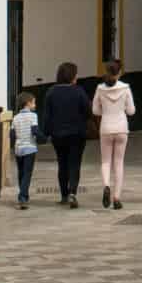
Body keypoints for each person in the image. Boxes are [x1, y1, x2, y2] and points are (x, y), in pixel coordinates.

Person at [40, 62, 90, 208]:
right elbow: (88, 111)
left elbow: (47, 115)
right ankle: (73, 192)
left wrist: (46, 133)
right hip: (77, 134)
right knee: (75, 163)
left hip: (58, 135)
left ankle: (64, 195)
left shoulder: (51, 92)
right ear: (72, 76)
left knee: (62, 164)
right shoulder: (79, 91)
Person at [91, 59, 136, 210]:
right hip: (121, 127)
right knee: (119, 162)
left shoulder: (100, 89)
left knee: (105, 161)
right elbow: (131, 111)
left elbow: (95, 111)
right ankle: (117, 198)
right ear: (119, 72)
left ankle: (106, 186)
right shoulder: (126, 88)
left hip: (106, 127)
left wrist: (105, 110)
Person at [11, 90, 42, 209]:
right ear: (28, 103)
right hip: (30, 149)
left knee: (21, 173)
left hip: (18, 149)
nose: (35, 105)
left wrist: (15, 145)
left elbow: (12, 135)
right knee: (27, 174)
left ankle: (24, 195)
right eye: (34, 102)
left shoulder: (15, 118)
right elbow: (35, 131)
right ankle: (22, 197)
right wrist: (44, 138)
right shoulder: (33, 116)